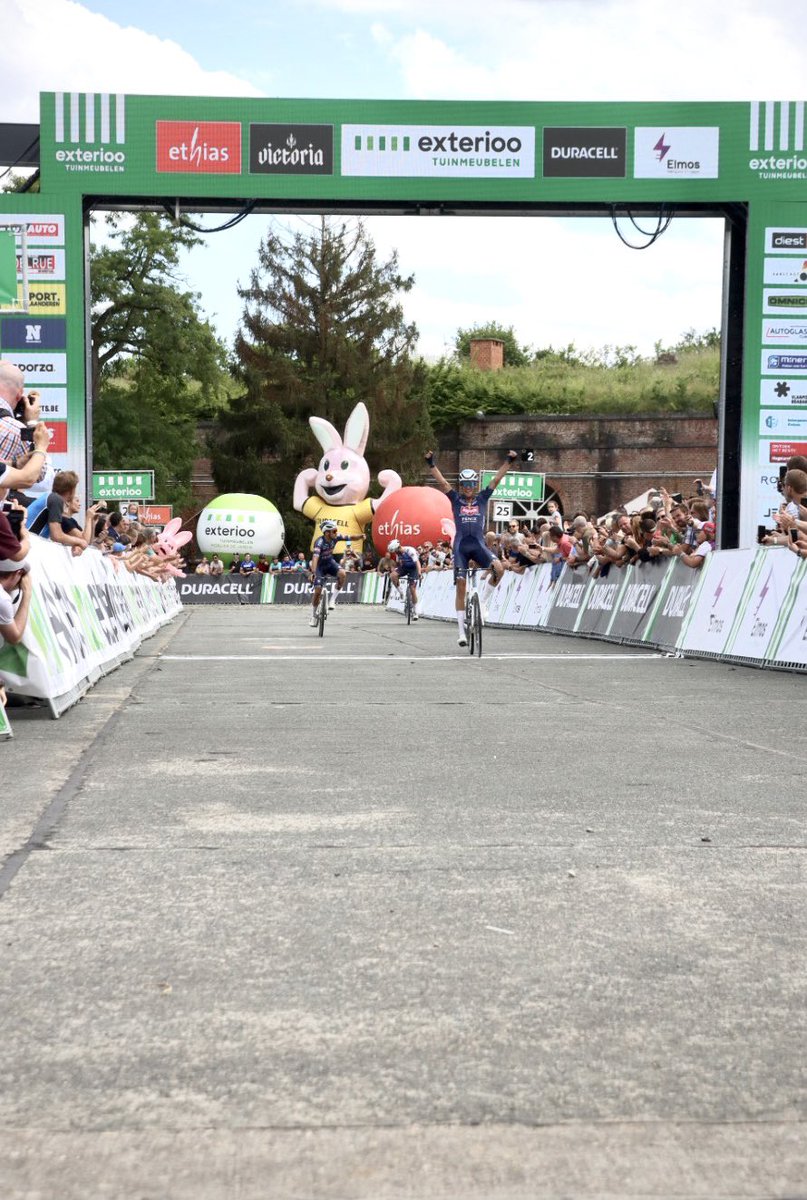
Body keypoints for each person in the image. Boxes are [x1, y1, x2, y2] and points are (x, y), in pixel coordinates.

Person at [425, 449, 517, 646]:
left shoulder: (482, 498)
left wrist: (508, 462)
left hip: (478, 544)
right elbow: (443, 483)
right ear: (462, 485)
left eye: (470, 484)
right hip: (460, 547)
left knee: (499, 570)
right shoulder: (455, 499)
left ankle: (482, 601)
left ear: (475, 485)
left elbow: (496, 480)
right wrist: (432, 464)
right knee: (461, 586)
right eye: (464, 484)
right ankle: (461, 632)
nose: (467, 487)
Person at [309, 519, 347, 625]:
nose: (336, 533)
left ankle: (332, 600)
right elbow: (315, 558)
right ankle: (313, 616)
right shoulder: (319, 542)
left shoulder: (336, 538)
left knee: (342, 574)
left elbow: (350, 537)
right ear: (327, 532)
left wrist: (361, 536)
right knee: (317, 592)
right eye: (334, 531)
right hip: (319, 567)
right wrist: (313, 573)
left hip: (330, 563)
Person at [387, 538, 421, 619]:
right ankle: (401, 592)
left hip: (414, 569)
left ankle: (416, 611)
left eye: (395, 551)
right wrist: (394, 570)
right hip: (404, 568)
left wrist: (419, 572)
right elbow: (399, 563)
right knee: (392, 575)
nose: (395, 552)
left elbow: (417, 562)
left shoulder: (410, 550)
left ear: (398, 547)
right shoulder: (397, 553)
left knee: (412, 589)